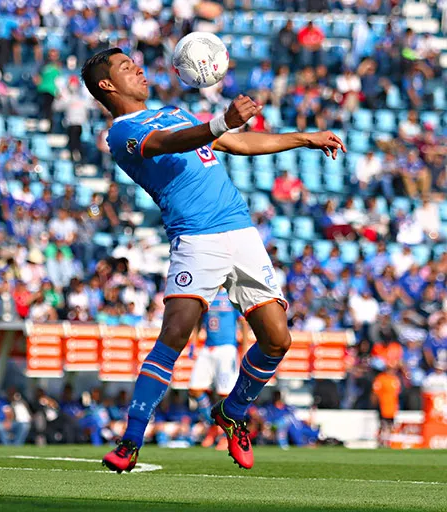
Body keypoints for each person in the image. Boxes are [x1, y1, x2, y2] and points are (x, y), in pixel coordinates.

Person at [81, 48, 345, 472]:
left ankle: (232, 411)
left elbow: (236, 142)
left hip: (241, 231)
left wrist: (304, 138)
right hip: (195, 238)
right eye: (127, 67)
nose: (140, 70)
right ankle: (130, 440)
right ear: (107, 85)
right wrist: (220, 122)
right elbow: (169, 143)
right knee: (175, 335)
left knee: (278, 340)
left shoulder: (175, 112)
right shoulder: (122, 133)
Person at [188, 288, 242, 447]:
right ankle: (213, 424)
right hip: (207, 347)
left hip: (226, 348)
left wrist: (244, 348)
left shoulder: (232, 296)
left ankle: (227, 434)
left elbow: (243, 322)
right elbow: (198, 319)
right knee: (194, 389)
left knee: (224, 394)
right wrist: (193, 342)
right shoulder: (207, 294)